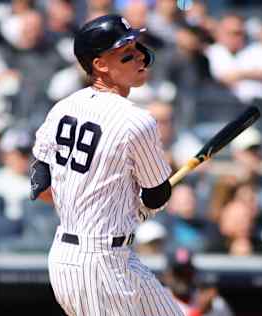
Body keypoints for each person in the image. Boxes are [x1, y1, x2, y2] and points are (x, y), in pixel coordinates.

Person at [30, 14, 183, 316]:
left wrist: (94, 209)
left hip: (85, 254)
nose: (140, 56)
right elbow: (157, 194)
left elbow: (39, 182)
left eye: (138, 46)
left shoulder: (64, 106)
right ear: (99, 64)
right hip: (99, 263)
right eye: (126, 51)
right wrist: (137, 210)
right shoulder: (136, 120)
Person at [162, 247, 234, 316]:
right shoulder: (159, 301)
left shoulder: (215, 303)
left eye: (187, 272)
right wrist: (199, 311)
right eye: (178, 273)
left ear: (194, 273)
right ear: (167, 275)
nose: (183, 278)